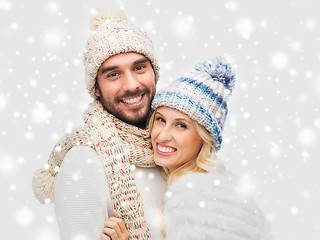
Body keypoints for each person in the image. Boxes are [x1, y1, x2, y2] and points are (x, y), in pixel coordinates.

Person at [32, 9, 166, 240]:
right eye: (113, 74)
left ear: (154, 73)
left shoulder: (173, 146)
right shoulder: (84, 161)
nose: (132, 85)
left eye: (139, 67)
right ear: (96, 89)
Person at [103, 57, 273, 239]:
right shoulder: (195, 186)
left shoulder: (200, 199)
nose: (163, 135)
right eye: (160, 119)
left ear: (204, 138)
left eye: (181, 125)